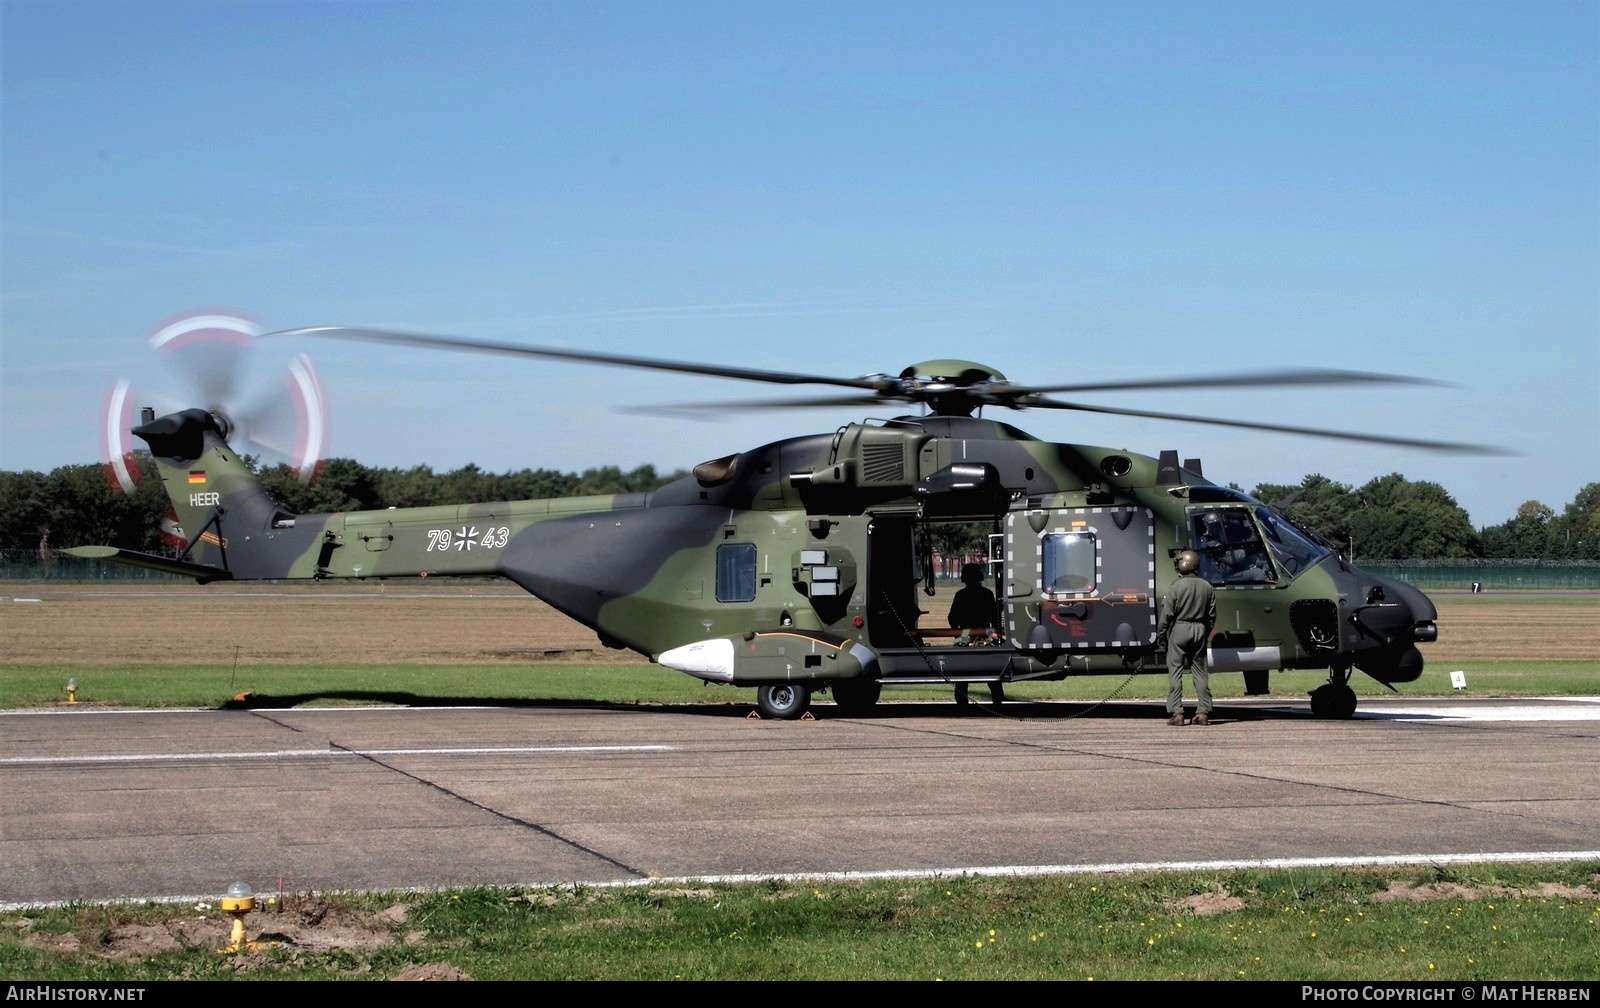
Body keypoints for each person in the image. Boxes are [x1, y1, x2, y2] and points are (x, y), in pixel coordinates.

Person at [1156, 549, 1217, 726]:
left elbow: (1166, 615)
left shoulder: (1176, 586)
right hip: (1200, 629)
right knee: (1200, 672)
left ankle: (1177, 712)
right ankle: (1204, 711)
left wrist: (1161, 636)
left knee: (1175, 670)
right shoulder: (1207, 586)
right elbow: (1211, 615)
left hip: (1180, 628)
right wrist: (1204, 631)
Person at [948, 562, 997, 634]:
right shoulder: (987, 594)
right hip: (984, 634)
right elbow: (994, 618)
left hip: (965, 635)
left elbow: (952, 619)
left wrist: (958, 636)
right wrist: (992, 636)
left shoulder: (961, 595)